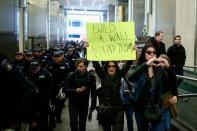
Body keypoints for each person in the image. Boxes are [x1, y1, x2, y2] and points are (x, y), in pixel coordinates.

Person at [128, 44, 178, 131]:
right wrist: (146, 64)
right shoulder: (139, 67)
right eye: (149, 52)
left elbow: (172, 84)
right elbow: (131, 77)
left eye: (154, 52)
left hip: (156, 107)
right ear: (144, 54)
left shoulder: (159, 68)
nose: (152, 54)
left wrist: (168, 67)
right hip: (140, 107)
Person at [92, 60, 132, 131]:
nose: (111, 68)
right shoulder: (103, 75)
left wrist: (133, 54)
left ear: (116, 67)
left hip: (118, 109)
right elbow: (96, 65)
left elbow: (127, 66)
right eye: (109, 66)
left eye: (113, 66)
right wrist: (90, 51)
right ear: (106, 67)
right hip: (106, 109)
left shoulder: (119, 75)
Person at [63, 58, 96, 131]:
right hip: (73, 103)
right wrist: (75, 90)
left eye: (81, 66)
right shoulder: (71, 75)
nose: (79, 68)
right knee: (73, 124)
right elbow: (65, 89)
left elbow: (94, 92)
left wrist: (93, 105)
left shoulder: (91, 77)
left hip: (84, 103)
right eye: (78, 66)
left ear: (86, 66)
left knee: (82, 124)